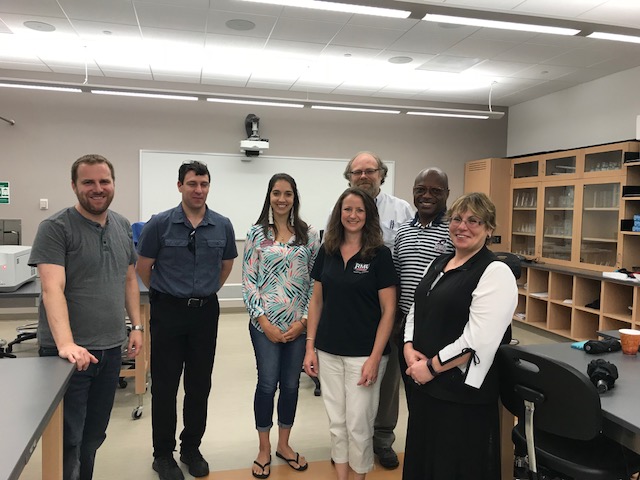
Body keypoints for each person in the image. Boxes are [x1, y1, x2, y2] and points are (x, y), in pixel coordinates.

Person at [29, 154, 143, 480]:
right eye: (88, 182)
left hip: (110, 350)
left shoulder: (122, 225)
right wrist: (66, 344)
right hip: (70, 356)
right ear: (74, 186)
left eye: (104, 181)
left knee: (93, 436)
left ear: (113, 185)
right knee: (69, 439)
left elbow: (128, 279)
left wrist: (135, 326)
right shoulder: (55, 228)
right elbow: (53, 289)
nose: (97, 188)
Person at [402, 192, 517, 480]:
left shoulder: (495, 272)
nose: (462, 226)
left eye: (473, 221)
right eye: (457, 219)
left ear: (489, 229)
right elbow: (417, 307)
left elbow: (477, 339)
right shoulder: (439, 262)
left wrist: (430, 367)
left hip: (459, 394)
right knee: (425, 460)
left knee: (453, 467)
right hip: (425, 387)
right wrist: (408, 347)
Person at [136, 160, 237, 480]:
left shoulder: (222, 225)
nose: (199, 190)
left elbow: (225, 266)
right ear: (180, 185)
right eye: (192, 183)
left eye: (204, 184)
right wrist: (168, 295)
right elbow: (144, 267)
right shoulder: (159, 224)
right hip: (168, 312)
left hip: (205, 313)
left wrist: (202, 294)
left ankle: (191, 448)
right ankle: (162, 455)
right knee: (165, 386)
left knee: (199, 385)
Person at [304, 187, 398, 480]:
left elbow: (389, 311)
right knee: (337, 423)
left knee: (359, 425)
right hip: (328, 351)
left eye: (360, 210)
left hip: (364, 356)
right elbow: (316, 300)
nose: (353, 215)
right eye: (347, 209)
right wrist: (310, 347)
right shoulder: (327, 250)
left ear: (368, 215)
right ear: (339, 213)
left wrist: (374, 358)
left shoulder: (380, 255)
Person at [242, 173, 320, 479]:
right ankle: (263, 448)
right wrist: (263, 321)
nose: (282, 199)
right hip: (264, 326)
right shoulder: (256, 233)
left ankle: (284, 445)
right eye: (276, 193)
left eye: (288, 193)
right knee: (267, 383)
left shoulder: (309, 235)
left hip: (297, 326)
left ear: (294, 197)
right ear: (269, 196)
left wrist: (303, 322)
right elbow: (248, 282)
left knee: (290, 385)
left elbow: (316, 281)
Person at [340, 151, 413, 469]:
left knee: (387, 380)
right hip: (352, 310)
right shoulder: (344, 210)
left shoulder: (402, 210)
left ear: (382, 174)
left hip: (390, 309)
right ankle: (348, 441)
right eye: (358, 172)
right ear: (350, 177)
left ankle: (382, 440)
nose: (364, 176)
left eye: (370, 171)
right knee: (349, 378)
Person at [393, 168, 454, 401]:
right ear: (413, 193)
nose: (427, 195)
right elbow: (398, 278)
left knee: (438, 394)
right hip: (407, 329)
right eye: (421, 190)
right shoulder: (403, 232)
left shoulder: (454, 229)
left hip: (441, 326)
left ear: (447, 194)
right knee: (412, 391)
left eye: (435, 191)